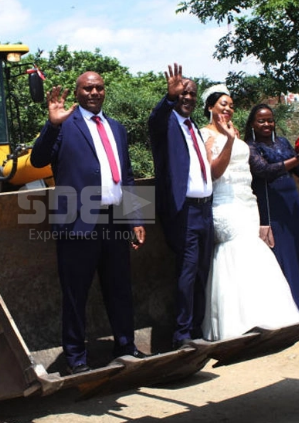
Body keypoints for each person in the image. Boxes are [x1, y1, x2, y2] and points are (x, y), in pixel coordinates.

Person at [30, 71, 147, 374]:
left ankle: (126, 346)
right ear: (78, 92)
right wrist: (52, 125)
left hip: (114, 221)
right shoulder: (65, 126)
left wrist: (135, 217)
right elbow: (38, 160)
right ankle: (76, 359)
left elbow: (129, 176)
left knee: (120, 289)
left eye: (98, 88)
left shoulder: (117, 128)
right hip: (77, 222)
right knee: (75, 294)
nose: (94, 92)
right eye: (87, 88)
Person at [199, 85, 299, 341]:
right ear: (210, 107)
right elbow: (214, 173)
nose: (228, 109)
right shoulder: (205, 135)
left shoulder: (236, 132)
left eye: (231, 105)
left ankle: (266, 313)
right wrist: (230, 140)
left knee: (254, 252)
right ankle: (237, 321)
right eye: (222, 104)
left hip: (247, 201)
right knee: (237, 251)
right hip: (225, 203)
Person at [148, 63, 214, 349]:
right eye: (183, 93)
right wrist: (169, 98)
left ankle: (198, 327)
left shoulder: (194, 129)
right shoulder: (167, 124)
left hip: (205, 210)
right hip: (183, 211)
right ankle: (182, 334)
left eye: (191, 94)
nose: (187, 98)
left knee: (202, 270)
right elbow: (155, 119)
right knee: (187, 271)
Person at [244, 104, 299, 315]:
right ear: (252, 124)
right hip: (271, 203)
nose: (267, 124)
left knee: (298, 251)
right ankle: (289, 308)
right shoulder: (251, 147)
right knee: (281, 253)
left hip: (291, 201)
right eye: (261, 121)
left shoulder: (283, 142)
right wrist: (298, 158)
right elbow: (265, 171)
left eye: (270, 120)